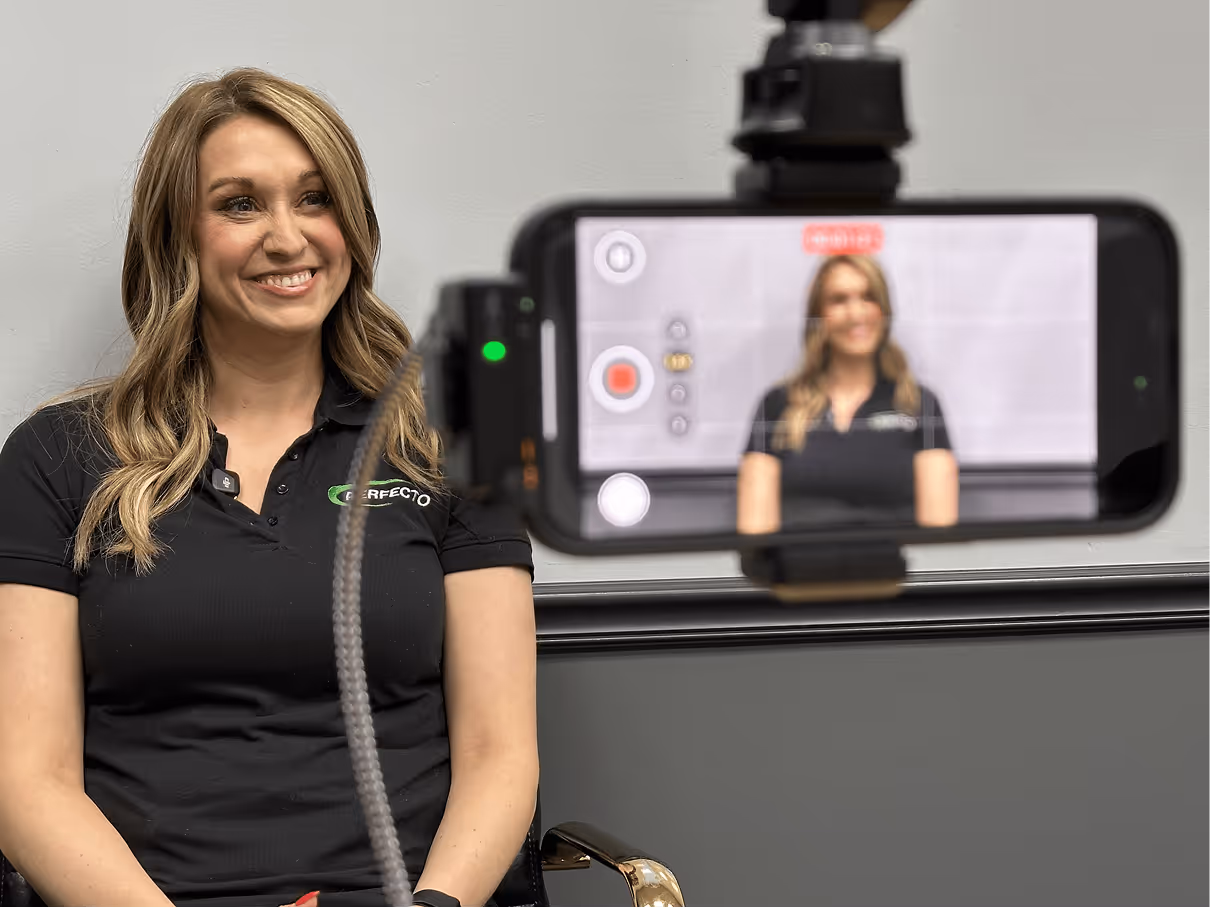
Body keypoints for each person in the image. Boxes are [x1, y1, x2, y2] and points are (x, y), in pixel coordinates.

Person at [0, 69, 538, 908]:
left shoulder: (446, 446)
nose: (287, 238)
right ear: (179, 233)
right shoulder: (57, 457)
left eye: (315, 198)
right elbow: (27, 781)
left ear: (352, 226)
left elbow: (499, 753)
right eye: (240, 204)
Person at [736, 253, 960, 534]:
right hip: (797, 575)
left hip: (890, 575)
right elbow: (754, 533)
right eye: (839, 300)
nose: (856, 314)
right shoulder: (777, 405)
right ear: (818, 316)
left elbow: (939, 532)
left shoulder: (920, 404)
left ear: (884, 311)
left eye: (868, 298)